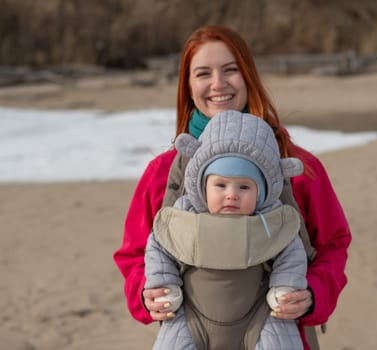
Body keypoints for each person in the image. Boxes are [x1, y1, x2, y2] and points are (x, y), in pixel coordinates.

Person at [113, 25, 352, 350]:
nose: (218, 84)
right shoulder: (163, 173)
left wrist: (313, 294)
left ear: (249, 76)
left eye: (230, 70)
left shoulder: (297, 166)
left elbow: (333, 244)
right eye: (202, 73)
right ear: (188, 86)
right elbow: (134, 254)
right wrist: (147, 293)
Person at [145, 110, 308, 349]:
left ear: (261, 192)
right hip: (193, 318)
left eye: (244, 187)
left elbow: (292, 254)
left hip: (258, 315)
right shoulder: (184, 216)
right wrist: (163, 284)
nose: (231, 194)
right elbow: (159, 246)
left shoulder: (272, 221)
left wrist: (285, 286)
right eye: (220, 185)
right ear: (202, 186)